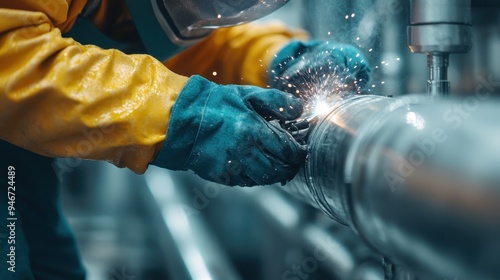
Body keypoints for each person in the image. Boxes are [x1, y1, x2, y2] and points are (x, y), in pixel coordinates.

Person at [0, 0, 371, 279]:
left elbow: (166, 44)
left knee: (43, 262)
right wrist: (188, 116)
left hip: (18, 166)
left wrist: (274, 59)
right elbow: (10, 53)